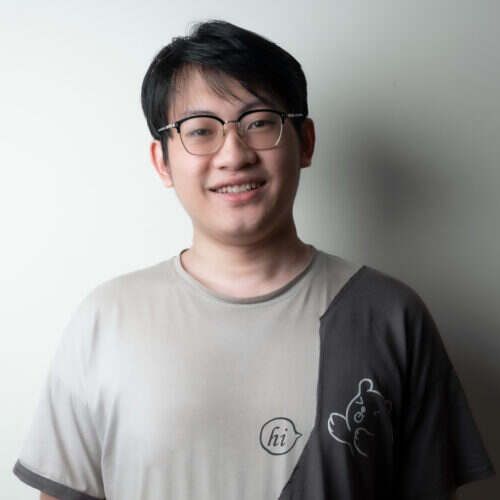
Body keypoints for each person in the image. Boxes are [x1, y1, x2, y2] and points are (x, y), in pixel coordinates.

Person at [13, 19, 495, 500]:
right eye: (200, 130)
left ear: (305, 142)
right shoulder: (106, 320)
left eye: (259, 122)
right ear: (162, 161)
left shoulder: (389, 315)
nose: (233, 154)